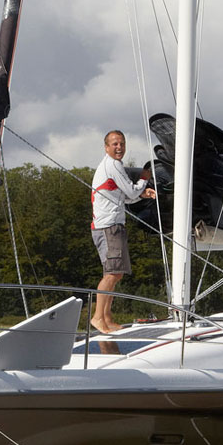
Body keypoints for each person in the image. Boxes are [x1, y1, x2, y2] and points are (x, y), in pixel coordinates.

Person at [90, 129, 156, 334]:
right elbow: (131, 191)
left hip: (111, 225)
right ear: (106, 147)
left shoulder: (110, 166)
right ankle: (97, 318)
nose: (119, 148)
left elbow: (124, 196)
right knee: (112, 273)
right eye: (115, 144)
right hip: (108, 226)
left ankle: (107, 317)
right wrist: (145, 178)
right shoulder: (113, 165)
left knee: (115, 274)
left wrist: (141, 194)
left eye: (122, 144)